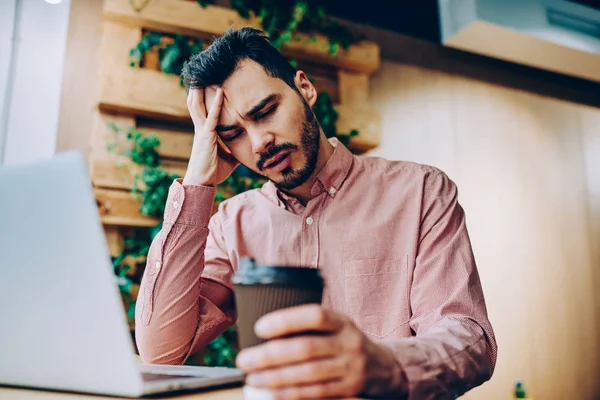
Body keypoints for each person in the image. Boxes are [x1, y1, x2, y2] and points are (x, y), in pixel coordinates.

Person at [135, 27, 497, 399]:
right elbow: (162, 352)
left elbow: (468, 336)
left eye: (266, 111)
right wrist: (197, 182)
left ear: (304, 88)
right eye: (233, 134)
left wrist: (384, 363)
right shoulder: (232, 223)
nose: (259, 142)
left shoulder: (420, 191)